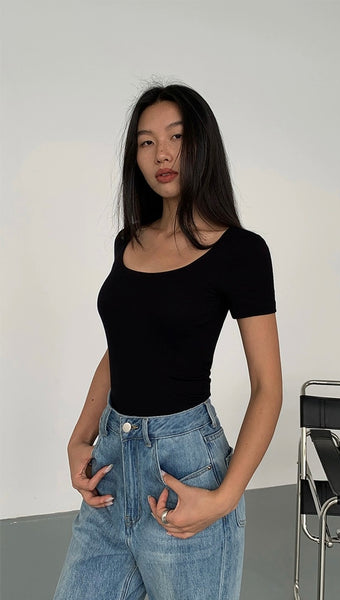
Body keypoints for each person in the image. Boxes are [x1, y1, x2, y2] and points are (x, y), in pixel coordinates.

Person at [53, 83, 282, 600]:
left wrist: (224, 498)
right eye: (147, 142)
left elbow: (268, 388)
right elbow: (122, 348)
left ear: (202, 143)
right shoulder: (129, 241)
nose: (162, 154)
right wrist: (79, 438)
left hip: (185, 470)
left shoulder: (241, 252)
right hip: (112, 468)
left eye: (176, 136)